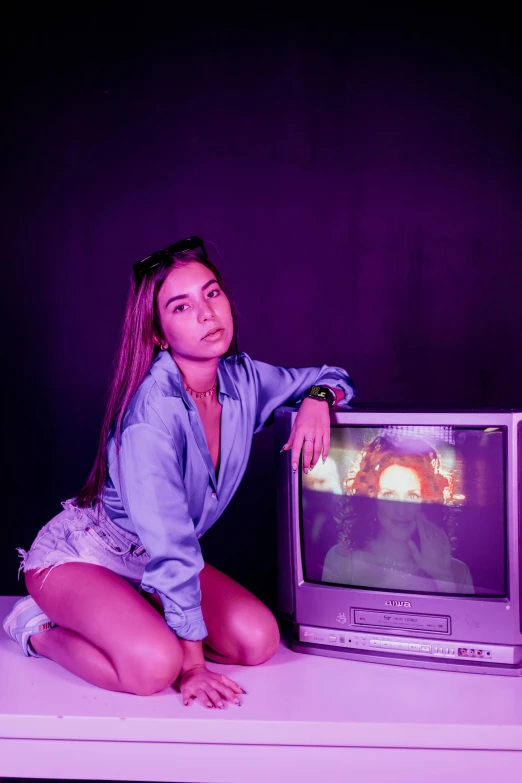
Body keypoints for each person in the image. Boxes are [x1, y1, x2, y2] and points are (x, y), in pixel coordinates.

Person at [3, 236, 355, 709]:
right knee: (154, 669)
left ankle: (140, 610)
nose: (207, 314)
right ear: (158, 334)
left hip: (153, 561)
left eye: (212, 293)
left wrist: (318, 400)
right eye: (181, 307)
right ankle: (36, 627)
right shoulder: (151, 417)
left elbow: (333, 376)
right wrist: (192, 665)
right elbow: (172, 545)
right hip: (84, 557)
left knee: (258, 641)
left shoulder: (243, 379)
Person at [322, 435, 473, 594]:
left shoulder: (458, 573)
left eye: (412, 496)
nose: (401, 510)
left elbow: (467, 619)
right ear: (372, 501)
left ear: (427, 502)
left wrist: (443, 577)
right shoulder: (342, 561)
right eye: (389, 495)